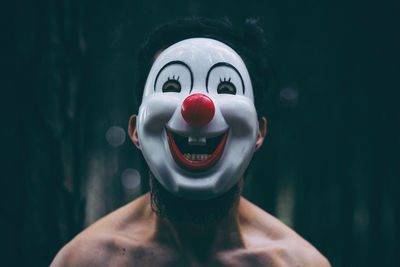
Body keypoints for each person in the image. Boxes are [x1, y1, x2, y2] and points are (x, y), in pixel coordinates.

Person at [51, 17, 331, 267]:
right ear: (136, 129)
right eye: (172, 86)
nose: (197, 109)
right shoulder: (84, 261)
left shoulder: (299, 263)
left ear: (258, 131)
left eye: (226, 88)